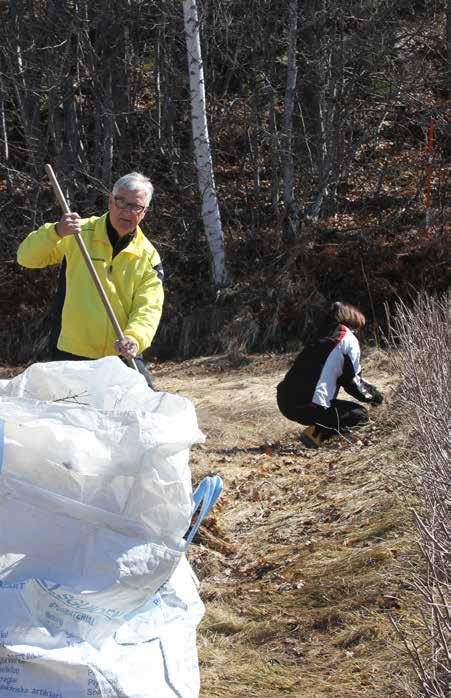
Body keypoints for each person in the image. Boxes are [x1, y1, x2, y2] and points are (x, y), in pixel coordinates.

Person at [17, 172, 164, 388]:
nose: (126, 211)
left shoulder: (148, 256)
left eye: (135, 207)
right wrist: (56, 232)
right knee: (72, 416)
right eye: (121, 202)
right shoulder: (77, 233)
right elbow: (26, 258)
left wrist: (134, 338)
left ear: (145, 212)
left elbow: (149, 307)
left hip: (122, 353)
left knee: (147, 409)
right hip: (72, 351)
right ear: (110, 201)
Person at [277, 301, 383, 448]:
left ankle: (316, 430)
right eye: (359, 329)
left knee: (331, 407)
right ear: (354, 323)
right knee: (360, 415)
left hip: (284, 400)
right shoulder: (347, 339)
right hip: (308, 406)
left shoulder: (320, 334)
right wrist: (375, 397)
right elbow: (352, 382)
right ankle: (315, 434)